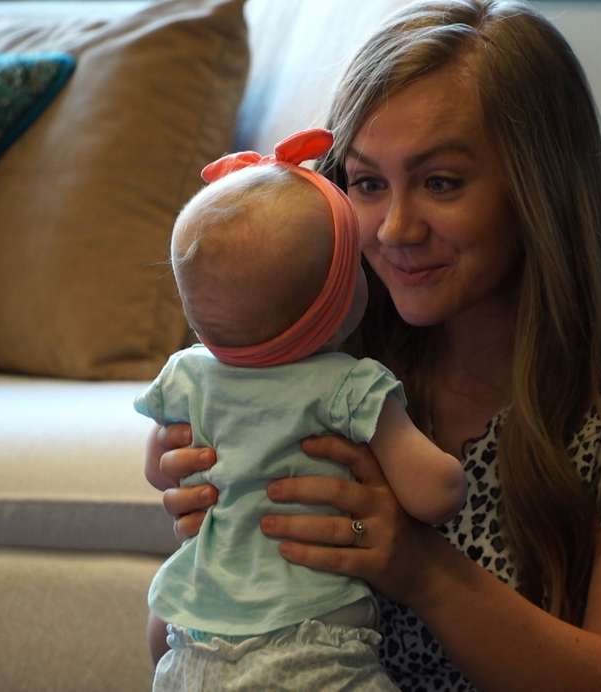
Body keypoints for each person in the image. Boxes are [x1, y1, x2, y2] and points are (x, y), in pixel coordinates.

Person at [147, 0, 601, 689]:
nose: (395, 229)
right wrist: (213, 544)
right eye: (367, 183)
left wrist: (422, 569)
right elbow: (169, 650)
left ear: (538, 188)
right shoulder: (326, 342)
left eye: (440, 183)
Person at [138, 128, 466, 690]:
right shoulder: (348, 384)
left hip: (192, 648)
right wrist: (452, 481)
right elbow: (434, 492)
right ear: (339, 304)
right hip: (311, 647)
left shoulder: (187, 375)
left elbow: (159, 466)